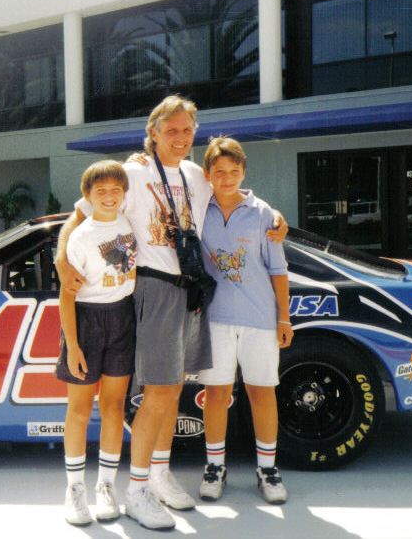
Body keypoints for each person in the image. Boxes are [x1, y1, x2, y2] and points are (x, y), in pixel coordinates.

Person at [56, 95, 287, 530]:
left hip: (189, 290)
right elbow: (79, 216)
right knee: (160, 390)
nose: (180, 138)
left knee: (171, 388)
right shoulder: (131, 172)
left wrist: (275, 217)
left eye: (187, 130)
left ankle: (157, 475)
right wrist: (64, 264)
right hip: (154, 287)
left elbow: (235, 192)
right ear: (154, 133)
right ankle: (138, 488)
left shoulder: (198, 175)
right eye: (172, 130)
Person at [195, 136, 293, 505]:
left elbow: (278, 269)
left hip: (259, 319)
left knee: (261, 392)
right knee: (217, 394)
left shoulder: (264, 213)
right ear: (207, 174)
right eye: (219, 172)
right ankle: (214, 467)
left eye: (234, 171)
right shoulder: (196, 211)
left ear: (243, 172)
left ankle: (267, 469)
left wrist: (284, 319)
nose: (226, 178)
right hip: (215, 318)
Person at [57, 160, 138, 526]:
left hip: (123, 316)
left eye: (115, 190)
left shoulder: (130, 222)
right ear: (87, 196)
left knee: (114, 405)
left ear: (124, 194)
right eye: (100, 191)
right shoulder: (81, 236)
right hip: (87, 321)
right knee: (78, 408)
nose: (109, 196)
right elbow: (66, 296)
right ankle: (75, 489)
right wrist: (72, 346)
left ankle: (107, 486)